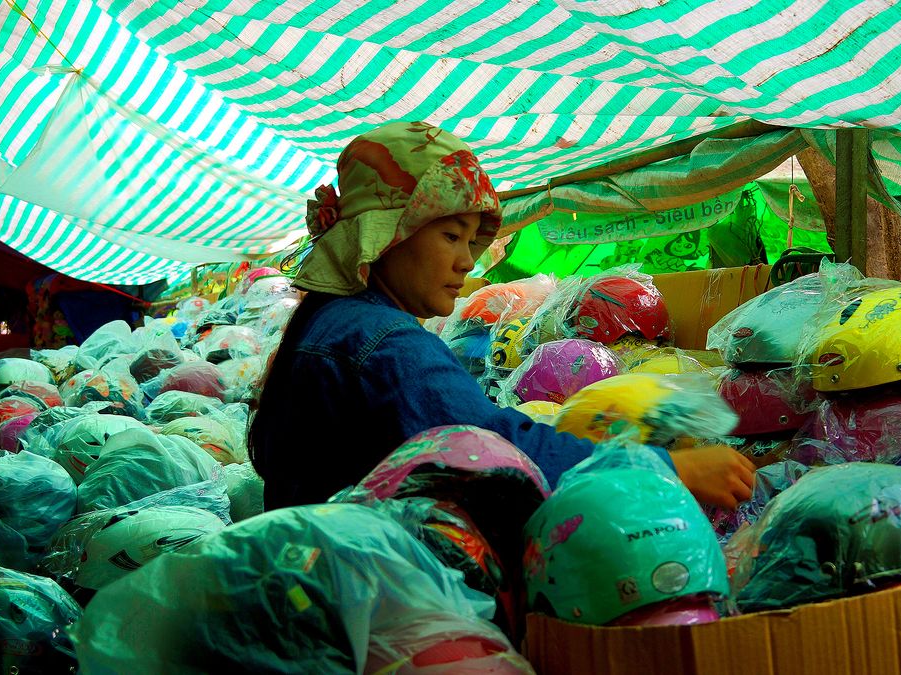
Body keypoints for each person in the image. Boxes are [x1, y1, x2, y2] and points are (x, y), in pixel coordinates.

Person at [248, 121, 755, 511]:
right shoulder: (385, 344)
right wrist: (667, 468)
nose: (468, 260)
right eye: (451, 235)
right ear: (387, 237)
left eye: (472, 240)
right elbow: (497, 453)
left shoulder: (329, 322)